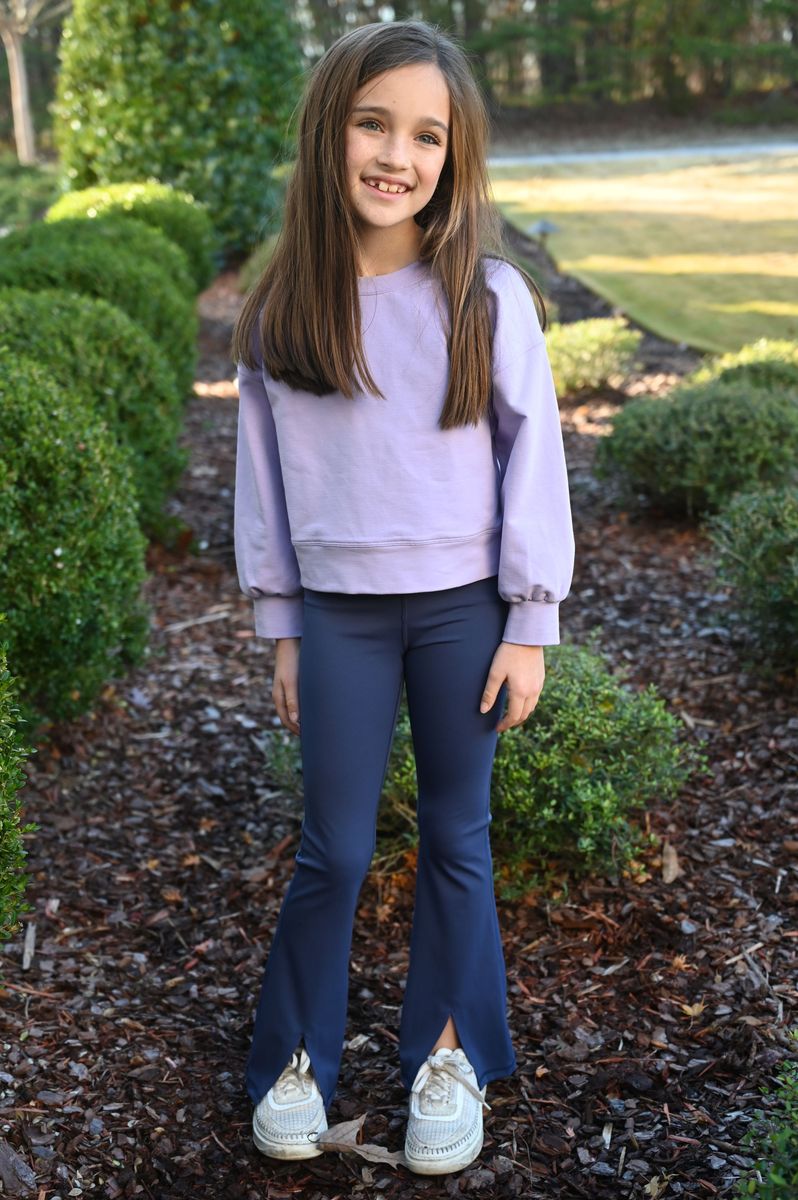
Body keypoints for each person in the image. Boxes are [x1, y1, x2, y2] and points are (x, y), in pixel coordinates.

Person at [230, 17, 575, 1176]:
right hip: (340, 617)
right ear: (329, 132)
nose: (397, 155)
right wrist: (283, 626)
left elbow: (534, 462)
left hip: (465, 611)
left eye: (428, 135)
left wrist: (530, 620)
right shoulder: (284, 310)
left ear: (454, 155)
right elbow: (264, 484)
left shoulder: (487, 296)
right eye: (373, 125)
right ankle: (297, 1058)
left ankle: (448, 1056)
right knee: (332, 848)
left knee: (456, 838)